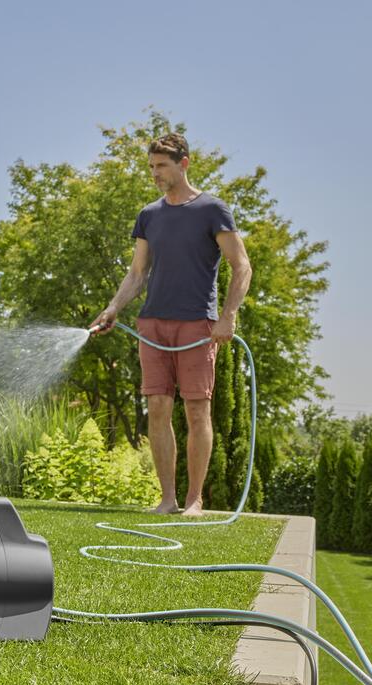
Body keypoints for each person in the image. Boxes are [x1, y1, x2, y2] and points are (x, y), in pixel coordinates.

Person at [89, 133, 252, 516]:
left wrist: (228, 316)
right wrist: (113, 307)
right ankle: (167, 499)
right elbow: (137, 272)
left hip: (197, 324)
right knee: (158, 410)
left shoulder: (213, 209)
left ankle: (194, 500)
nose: (155, 174)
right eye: (151, 167)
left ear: (184, 163)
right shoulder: (149, 215)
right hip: (152, 324)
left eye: (161, 166)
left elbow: (241, 265)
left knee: (197, 411)